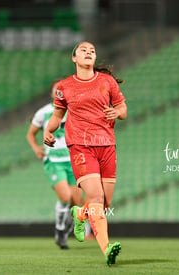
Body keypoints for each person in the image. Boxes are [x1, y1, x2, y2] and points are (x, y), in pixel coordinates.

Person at [43, 41, 127, 265]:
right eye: (83, 50)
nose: (89, 52)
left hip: (107, 145)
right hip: (80, 146)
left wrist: (116, 112)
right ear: (74, 58)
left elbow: (123, 110)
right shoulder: (65, 86)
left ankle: (80, 214)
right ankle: (107, 248)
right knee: (96, 197)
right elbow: (57, 115)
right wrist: (48, 131)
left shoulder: (107, 82)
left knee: (105, 203)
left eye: (92, 50)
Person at [27, 79, 83, 249]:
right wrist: (36, 147)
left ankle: (65, 227)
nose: (60, 91)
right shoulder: (43, 113)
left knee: (75, 203)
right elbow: (30, 134)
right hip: (54, 161)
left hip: (73, 160)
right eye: (56, 89)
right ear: (52, 93)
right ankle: (59, 230)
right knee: (65, 197)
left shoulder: (74, 111)